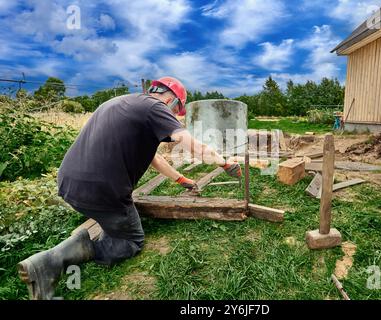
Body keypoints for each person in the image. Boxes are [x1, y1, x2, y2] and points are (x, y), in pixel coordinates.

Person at [17, 76, 242, 300]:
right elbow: (192, 144)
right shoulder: (156, 107)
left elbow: (154, 157)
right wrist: (224, 162)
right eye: (177, 110)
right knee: (131, 241)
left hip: (68, 184)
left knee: (112, 219)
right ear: (172, 100)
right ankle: (54, 260)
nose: (174, 115)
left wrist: (181, 180)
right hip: (102, 191)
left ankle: (83, 239)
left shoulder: (121, 102)